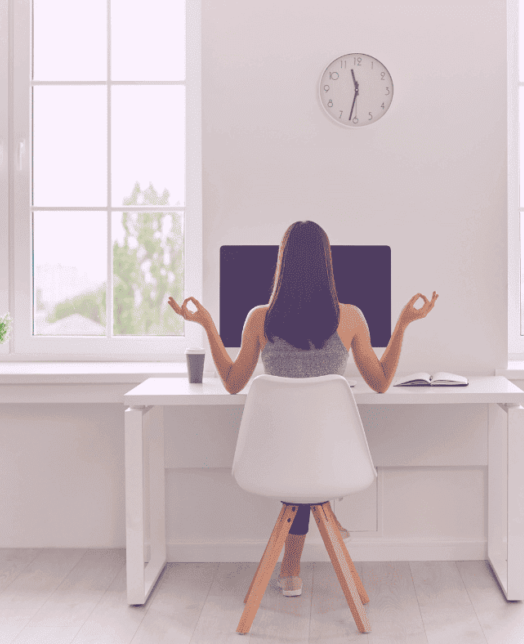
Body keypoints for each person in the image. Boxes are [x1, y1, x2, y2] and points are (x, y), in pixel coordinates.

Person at [168, 220, 438, 597]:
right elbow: (379, 382)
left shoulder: (258, 319)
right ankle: (318, 518)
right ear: (327, 263)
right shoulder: (352, 318)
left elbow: (231, 383)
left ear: (282, 263)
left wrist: (208, 326)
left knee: (301, 460)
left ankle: (291, 567)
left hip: (275, 456)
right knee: (311, 463)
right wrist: (403, 325)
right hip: (330, 458)